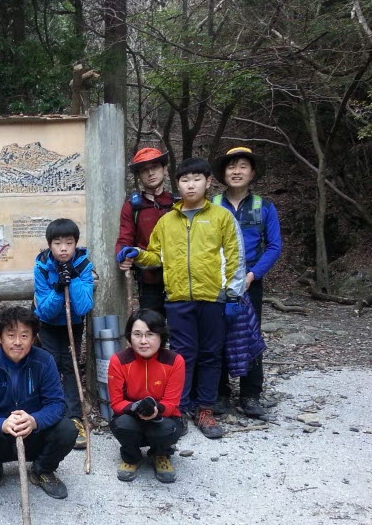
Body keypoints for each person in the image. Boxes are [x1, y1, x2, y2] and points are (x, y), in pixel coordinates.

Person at [117, 157, 244, 440]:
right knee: (182, 355)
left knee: (211, 353)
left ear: (208, 182)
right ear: (177, 184)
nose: (191, 185)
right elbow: (156, 256)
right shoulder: (167, 221)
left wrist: (233, 296)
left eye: (197, 179)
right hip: (177, 298)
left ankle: (205, 408)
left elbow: (235, 257)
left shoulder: (222, 217)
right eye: (185, 180)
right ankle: (179, 407)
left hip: (213, 297)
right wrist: (138, 254)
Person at [0, 306, 77, 503]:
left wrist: (34, 421)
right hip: (1, 437)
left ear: (33, 339)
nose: (17, 342)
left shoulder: (44, 361)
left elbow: (56, 404)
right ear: (0, 338)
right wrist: (2, 424)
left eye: (24, 336)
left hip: (34, 435)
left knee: (67, 429)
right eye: (11, 335)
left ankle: (42, 470)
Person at [211, 147, 282, 417]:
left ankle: (250, 395)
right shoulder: (212, 205)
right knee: (216, 334)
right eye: (231, 166)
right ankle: (220, 393)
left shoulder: (264, 207)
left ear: (252, 173)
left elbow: (273, 246)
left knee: (251, 335)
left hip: (250, 281)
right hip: (216, 281)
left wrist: (253, 275)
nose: (236, 171)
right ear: (223, 173)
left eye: (243, 166)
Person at [33, 218, 94, 449]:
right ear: (50, 245)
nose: (63, 248)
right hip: (48, 325)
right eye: (57, 243)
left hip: (73, 324)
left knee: (70, 365)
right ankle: (49, 412)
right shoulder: (41, 266)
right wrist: (59, 288)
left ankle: (74, 416)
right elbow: (45, 311)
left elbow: (83, 306)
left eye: (69, 243)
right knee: (50, 364)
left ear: (76, 243)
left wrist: (74, 278)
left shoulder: (83, 264)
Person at [108, 309, 184, 483]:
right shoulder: (118, 360)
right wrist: (136, 407)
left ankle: (160, 454)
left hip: (163, 417)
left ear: (161, 336)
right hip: (131, 415)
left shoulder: (175, 361)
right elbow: (116, 403)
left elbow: (172, 404)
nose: (143, 341)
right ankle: (131, 456)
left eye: (150, 334)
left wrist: (155, 410)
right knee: (122, 424)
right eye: (137, 334)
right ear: (129, 337)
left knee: (167, 429)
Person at [115, 147, 177, 315]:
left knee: (179, 327)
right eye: (144, 170)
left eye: (155, 167)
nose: (150, 173)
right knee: (151, 325)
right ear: (139, 175)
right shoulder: (132, 207)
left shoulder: (177, 203)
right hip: (149, 280)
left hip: (180, 278)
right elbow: (125, 237)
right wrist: (123, 255)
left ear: (164, 169)